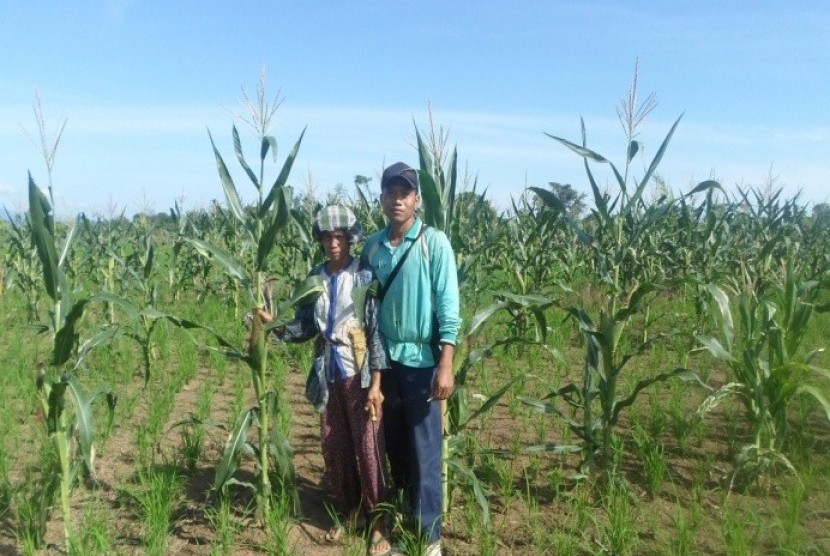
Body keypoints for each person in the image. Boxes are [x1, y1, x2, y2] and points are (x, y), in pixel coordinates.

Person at [254, 205, 393, 556]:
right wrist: (274, 324)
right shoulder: (316, 278)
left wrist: (376, 383)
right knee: (335, 447)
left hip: (358, 373)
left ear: (350, 240)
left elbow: (375, 332)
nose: (333, 244)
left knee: (368, 448)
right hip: (328, 373)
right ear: (319, 241)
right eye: (327, 237)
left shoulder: (363, 275)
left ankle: (379, 521)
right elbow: (304, 327)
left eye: (340, 237)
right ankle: (351, 511)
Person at [361, 162, 461, 556]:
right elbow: (363, 302)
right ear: (382, 198)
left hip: (423, 363)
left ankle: (430, 539)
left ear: (417, 199)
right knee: (398, 450)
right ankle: (404, 524)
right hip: (386, 364)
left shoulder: (433, 244)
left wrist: (446, 363)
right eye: (391, 192)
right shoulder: (373, 246)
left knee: (426, 454)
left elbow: (449, 307)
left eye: (405, 192)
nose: (397, 199)